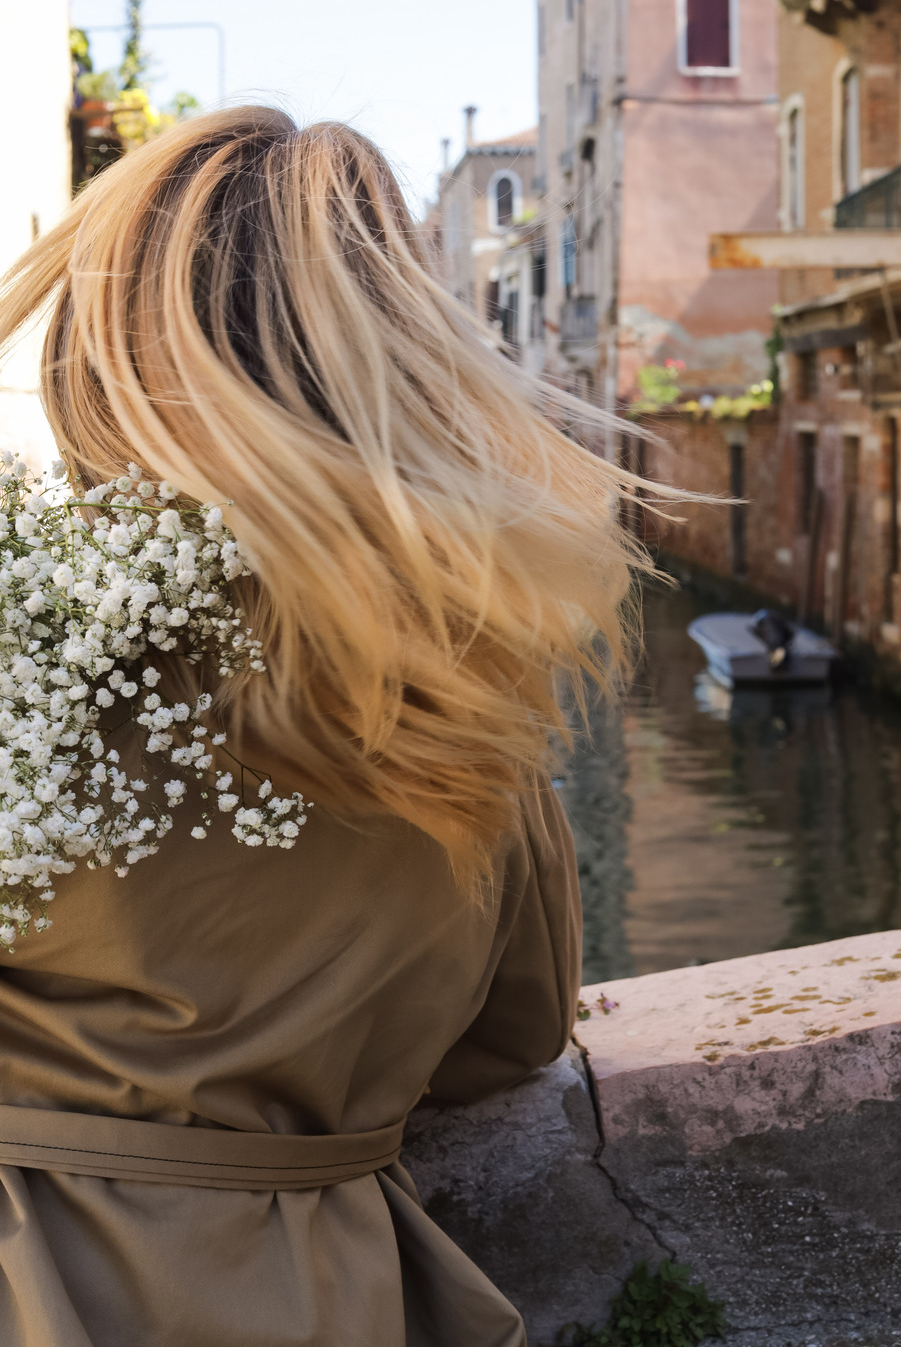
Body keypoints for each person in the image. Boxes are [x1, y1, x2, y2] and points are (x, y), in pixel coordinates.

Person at [0, 107, 660, 1346]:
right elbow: (511, 1037)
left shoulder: (28, 639)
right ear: (402, 354)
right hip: (320, 1295)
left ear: (95, 353)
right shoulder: (452, 702)